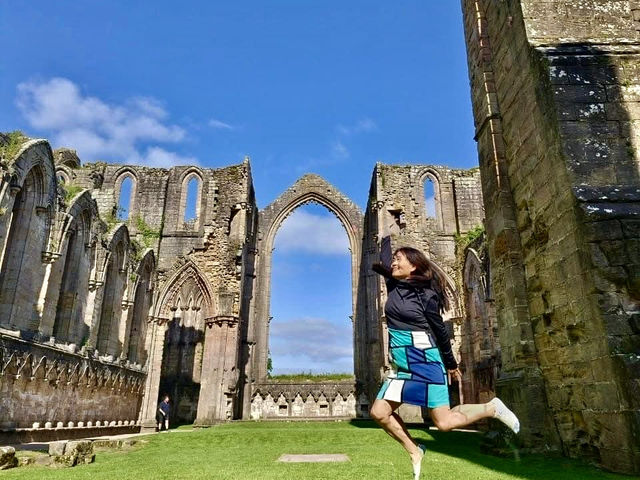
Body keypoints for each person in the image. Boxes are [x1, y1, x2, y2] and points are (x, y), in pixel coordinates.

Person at [370, 230, 519, 480]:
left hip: (425, 359)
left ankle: (491, 408)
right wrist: (385, 241)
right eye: (394, 259)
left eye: (399, 259)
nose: (394, 262)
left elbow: (439, 331)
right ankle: (415, 450)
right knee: (379, 412)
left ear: (415, 266)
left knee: (444, 422)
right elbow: (384, 259)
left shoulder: (427, 296)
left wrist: (451, 364)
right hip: (401, 363)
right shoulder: (394, 284)